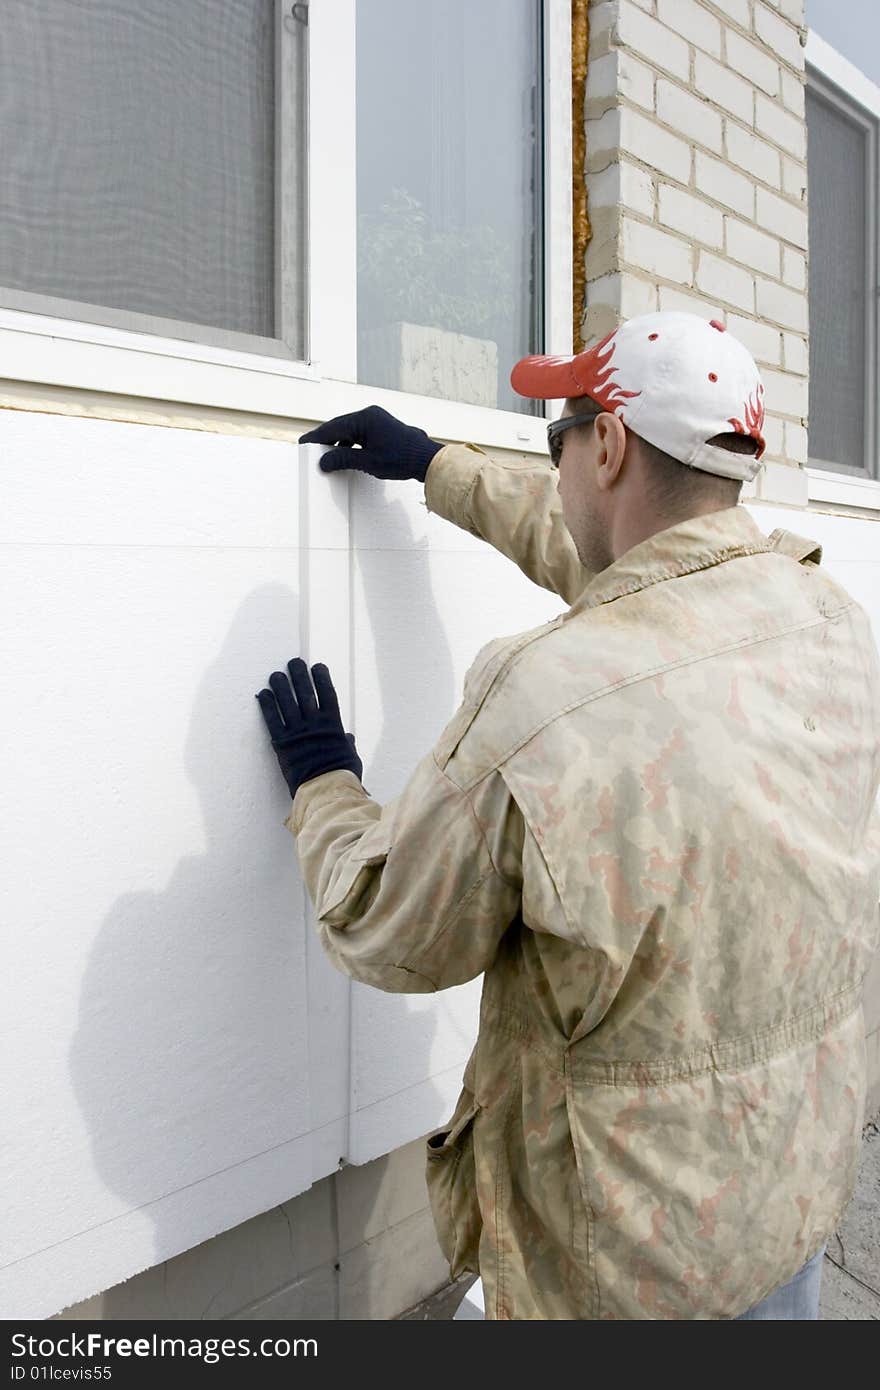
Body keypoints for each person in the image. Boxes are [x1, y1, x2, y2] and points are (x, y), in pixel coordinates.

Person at [255, 310, 880, 1320]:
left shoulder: (544, 696)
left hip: (628, 1267)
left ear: (610, 443)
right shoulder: (827, 618)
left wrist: (326, 784)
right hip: (786, 1202)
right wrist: (434, 465)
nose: (553, 468)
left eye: (556, 440)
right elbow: (634, 569)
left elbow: (387, 929)